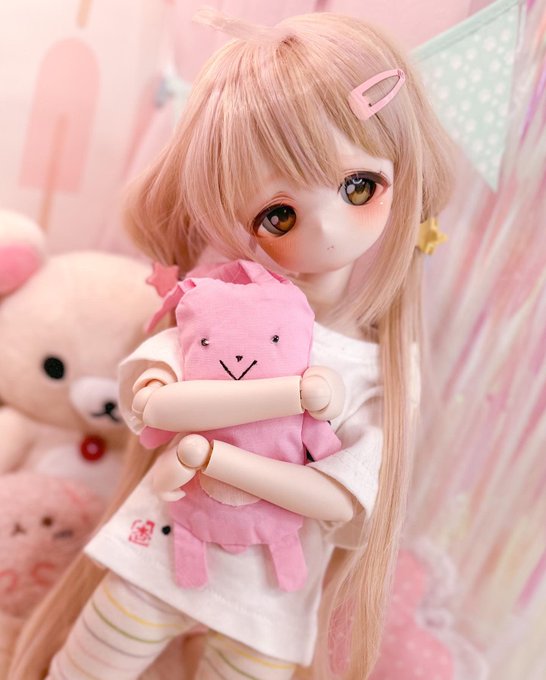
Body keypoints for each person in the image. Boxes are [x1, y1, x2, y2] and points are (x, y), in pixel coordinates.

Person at [9, 9, 453, 680]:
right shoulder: (215, 305)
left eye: (358, 186)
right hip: (156, 556)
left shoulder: (379, 365)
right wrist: (278, 402)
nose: (327, 230)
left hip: (267, 602)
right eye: (279, 215)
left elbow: (343, 502)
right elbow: (154, 407)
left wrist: (218, 458)